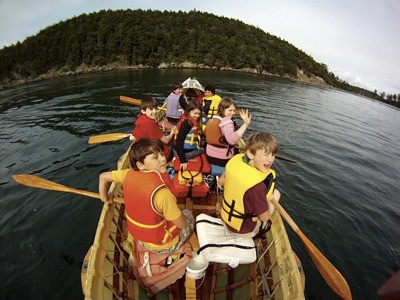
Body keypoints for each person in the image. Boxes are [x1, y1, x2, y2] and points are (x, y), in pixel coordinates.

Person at [99, 139, 194, 253]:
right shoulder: (163, 195)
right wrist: (183, 218)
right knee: (188, 215)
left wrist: (105, 197)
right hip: (162, 244)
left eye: (162, 154)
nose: (163, 159)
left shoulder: (127, 174)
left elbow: (103, 177)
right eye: (155, 157)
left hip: (139, 237)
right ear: (140, 165)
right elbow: (182, 224)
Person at [218, 132, 281, 237]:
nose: (270, 160)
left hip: (225, 218)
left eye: (273, 154)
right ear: (250, 154)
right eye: (265, 154)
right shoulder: (257, 186)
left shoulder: (235, 161)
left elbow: (220, 182)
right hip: (243, 230)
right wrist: (267, 199)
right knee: (277, 193)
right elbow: (264, 218)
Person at [204, 97, 252, 176]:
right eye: (230, 110)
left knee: (236, 149)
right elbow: (231, 140)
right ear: (222, 109)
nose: (232, 113)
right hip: (221, 159)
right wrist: (245, 124)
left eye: (233, 110)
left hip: (209, 155)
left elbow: (205, 132)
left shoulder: (214, 118)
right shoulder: (227, 121)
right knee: (244, 156)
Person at [173, 101, 204, 172]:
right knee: (203, 149)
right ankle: (180, 157)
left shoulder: (189, 120)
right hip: (182, 152)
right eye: (195, 113)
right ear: (189, 112)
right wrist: (182, 160)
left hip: (179, 150)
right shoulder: (187, 123)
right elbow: (179, 140)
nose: (197, 116)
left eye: (199, 114)